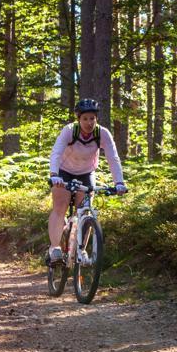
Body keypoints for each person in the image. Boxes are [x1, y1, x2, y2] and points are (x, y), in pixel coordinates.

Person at [48, 99, 127, 265]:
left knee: (85, 211)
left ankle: (81, 250)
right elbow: (56, 153)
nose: (89, 122)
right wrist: (54, 174)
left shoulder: (102, 133)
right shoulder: (70, 131)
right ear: (79, 119)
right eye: (85, 119)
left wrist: (119, 182)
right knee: (60, 207)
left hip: (86, 173)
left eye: (92, 118)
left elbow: (113, 158)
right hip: (64, 172)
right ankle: (55, 248)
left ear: (96, 119)